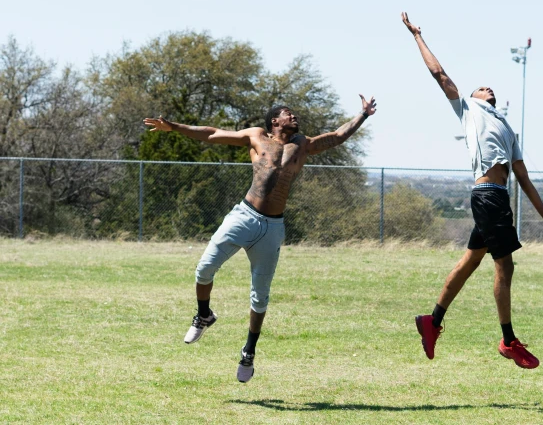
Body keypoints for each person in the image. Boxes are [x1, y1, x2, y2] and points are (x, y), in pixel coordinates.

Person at [143, 94, 377, 382]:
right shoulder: (256, 137)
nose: (294, 117)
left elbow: (338, 136)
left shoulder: (303, 145)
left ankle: (249, 351)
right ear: (274, 121)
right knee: (204, 269)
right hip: (244, 217)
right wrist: (174, 126)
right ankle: (204, 315)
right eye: (288, 114)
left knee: (260, 297)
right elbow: (212, 133)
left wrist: (363, 115)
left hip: (273, 228)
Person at [401, 12, 543, 369]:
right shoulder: (469, 109)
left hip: (497, 198)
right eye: (482, 87)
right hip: (487, 196)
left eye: (491, 88)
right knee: (504, 266)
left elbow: (523, 178)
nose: (488, 88)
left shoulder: (507, 128)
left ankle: (432, 321)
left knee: (471, 261)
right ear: (474, 96)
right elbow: (439, 74)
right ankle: (508, 341)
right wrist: (417, 36)